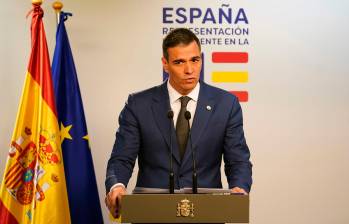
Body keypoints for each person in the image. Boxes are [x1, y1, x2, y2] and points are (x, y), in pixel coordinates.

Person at [105, 28, 252, 218]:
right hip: (152, 214)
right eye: (179, 62)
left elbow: (237, 160)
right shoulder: (138, 104)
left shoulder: (226, 104)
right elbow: (121, 159)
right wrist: (117, 186)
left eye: (195, 60)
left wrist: (239, 187)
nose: (189, 70)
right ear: (165, 64)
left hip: (206, 214)